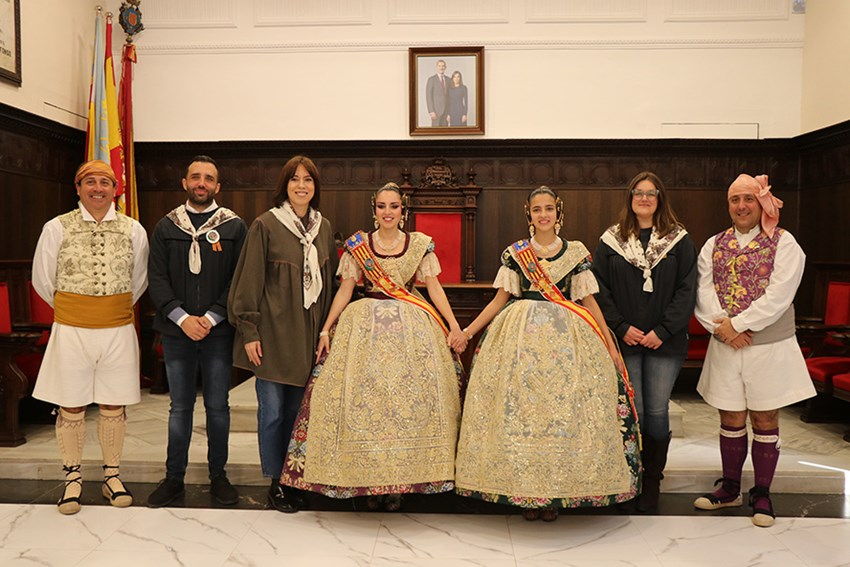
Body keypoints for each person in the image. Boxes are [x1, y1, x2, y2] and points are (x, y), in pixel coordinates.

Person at [455, 186, 640, 522]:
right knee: (523, 415)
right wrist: (468, 332)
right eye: (537, 209)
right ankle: (525, 490)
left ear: (558, 212)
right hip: (519, 343)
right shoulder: (515, 254)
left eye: (549, 209)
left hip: (567, 345)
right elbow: (499, 300)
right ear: (529, 213)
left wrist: (609, 344)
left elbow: (588, 301)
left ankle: (556, 492)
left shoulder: (576, 253)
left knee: (562, 415)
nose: (544, 215)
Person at [281, 182, 467, 512]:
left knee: (407, 406)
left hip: (412, 327)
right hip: (364, 328)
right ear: (374, 209)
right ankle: (366, 481)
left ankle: (400, 483)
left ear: (402, 210)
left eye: (394, 206)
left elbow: (434, 288)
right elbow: (345, 289)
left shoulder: (419, 245)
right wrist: (326, 328)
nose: (388, 212)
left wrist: (453, 325)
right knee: (365, 406)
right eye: (382, 206)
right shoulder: (359, 246)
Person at [692, 173, 815, 527]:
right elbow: (703, 291)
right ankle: (729, 488)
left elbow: (780, 293)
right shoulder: (713, 244)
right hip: (726, 344)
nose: (742, 206)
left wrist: (740, 324)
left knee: (764, 418)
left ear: (761, 202)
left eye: (748, 199)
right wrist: (724, 328)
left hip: (769, 345)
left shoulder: (784, 242)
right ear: (728, 205)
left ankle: (762, 492)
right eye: (735, 200)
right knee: (729, 417)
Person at [31, 160, 149, 515]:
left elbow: (139, 279)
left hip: (117, 328)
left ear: (115, 189)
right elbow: (42, 279)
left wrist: (108, 308)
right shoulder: (56, 227)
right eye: (90, 182)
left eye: (104, 182)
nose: (98, 188)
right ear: (78, 188)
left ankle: (112, 476)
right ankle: (72, 478)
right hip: (71, 328)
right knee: (71, 404)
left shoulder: (133, 230)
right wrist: (76, 310)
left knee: (114, 404)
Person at [228, 155, 338, 513]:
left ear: (315, 187)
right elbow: (248, 281)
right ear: (284, 185)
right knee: (273, 413)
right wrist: (249, 331)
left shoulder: (323, 228)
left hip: (308, 338)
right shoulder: (266, 225)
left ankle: (294, 479)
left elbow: (333, 285)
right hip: (273, 336)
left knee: (297, 414)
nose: (301, 186)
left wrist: (328, 331)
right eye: (295, 179)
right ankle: (275, 482)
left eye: (308, 180)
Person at [592, 171, 697, 513]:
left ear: (660, 198)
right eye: (639, 193)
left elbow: (687, 290)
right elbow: (598, 290)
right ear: (630, 198)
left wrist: (662, 331)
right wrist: (621, 327)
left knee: (656, 410)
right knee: (631, 410)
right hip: (626, 340)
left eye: (651, 193)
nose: (645, 198)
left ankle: (652, 481)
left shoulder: (679, 240)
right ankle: (629, 480)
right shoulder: (611, 241)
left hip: (665, 342)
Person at [146, 155, 248, 508]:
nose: (201, 183)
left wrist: (212, 317)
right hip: (177, 333)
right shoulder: (166, 226)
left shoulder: (234, 227)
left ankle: (218, 476)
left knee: (218, 406)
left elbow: (239, 279)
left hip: (218, 333)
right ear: (185, 183)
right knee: (180, 408)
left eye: (208, 178)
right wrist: (182, 318)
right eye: (195, 177)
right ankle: (174, 478)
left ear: (217, 186)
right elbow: (156, 278)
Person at [425, 59, 449, 127]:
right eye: (439, 66)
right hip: (436, 112)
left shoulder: (449, 80)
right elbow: (428, 96)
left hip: (446, 112)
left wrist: (449, 113)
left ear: (445, 67)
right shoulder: (431, 79)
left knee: (445, 132)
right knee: (435, 131)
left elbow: (450, 97)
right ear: (437, 67)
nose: (441, 67)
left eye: (443, 66)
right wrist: (431, 111)